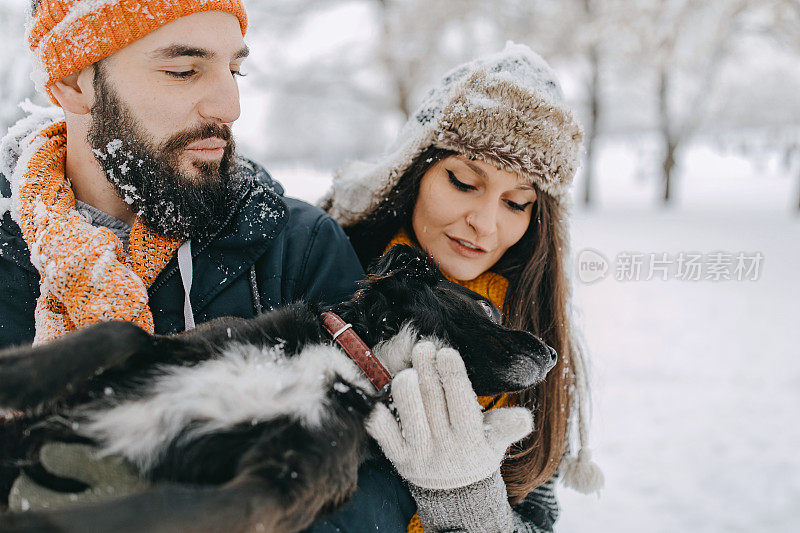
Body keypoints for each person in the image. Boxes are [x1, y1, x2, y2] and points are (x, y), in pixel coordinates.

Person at [0, 1, 415, 529]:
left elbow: (375, 486)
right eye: (183, 70)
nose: (229, 104)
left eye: (234, 69)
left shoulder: (297, 250)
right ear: (73, 84)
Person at [322, 43, 604, 532]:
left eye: (516, 203)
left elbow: (535, 522)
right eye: (463, 181)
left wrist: (467, 497)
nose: (484, 224)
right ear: (414, 171)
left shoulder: (529, 339)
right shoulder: (328, 268)